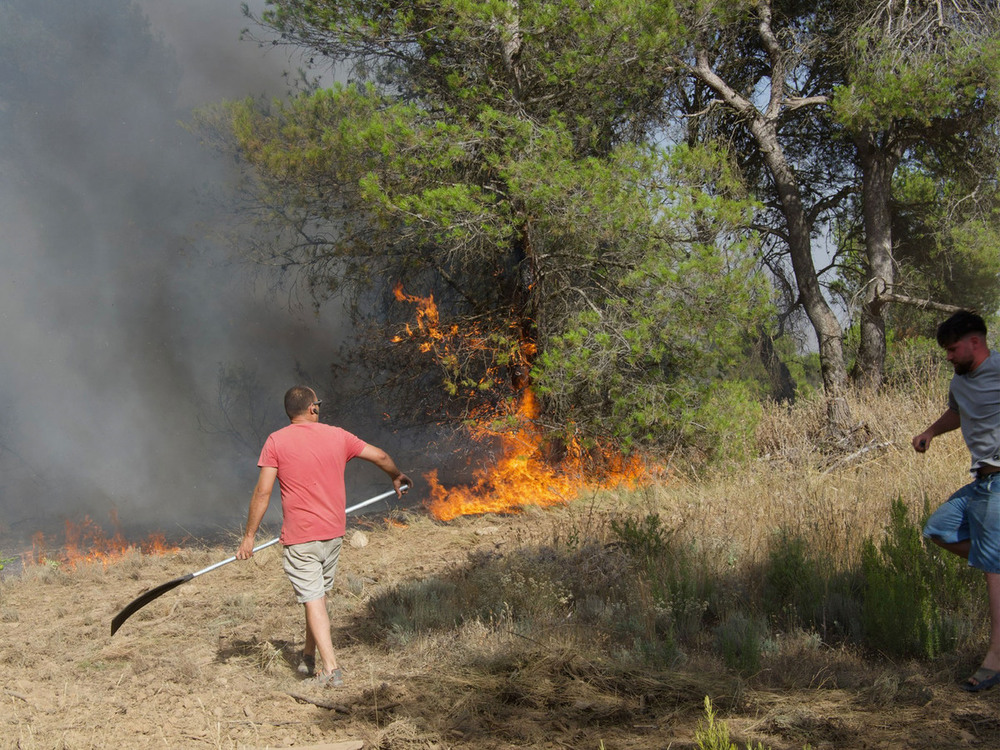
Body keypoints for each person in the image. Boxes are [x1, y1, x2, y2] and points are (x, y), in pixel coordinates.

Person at [236, 385, 411, 687]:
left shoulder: (276, 441)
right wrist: (395, 475)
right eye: (318, 403)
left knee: (313, 598)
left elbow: (262, 491)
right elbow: (380, 455)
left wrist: (249, 536)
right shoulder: (338, 435)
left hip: (301, 538)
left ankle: (331, 671)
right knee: (316, 597)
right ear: (312, 409)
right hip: (333, 534)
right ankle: (308, 654)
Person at [914, 310, 1000, 691]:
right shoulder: (960, 382)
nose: (948, 356)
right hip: (980, 484)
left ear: (975, 343)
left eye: (952, 349)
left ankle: (995, 660)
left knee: (994, 569)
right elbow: (957, 412)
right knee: (938, 529)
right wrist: (931, 432)